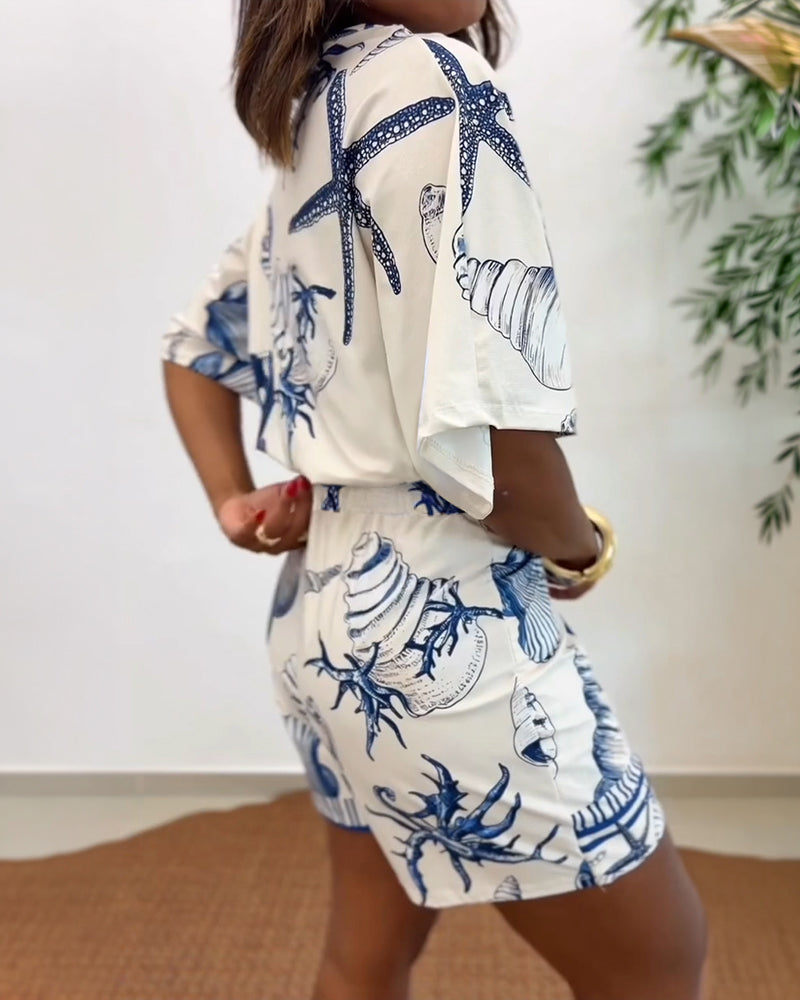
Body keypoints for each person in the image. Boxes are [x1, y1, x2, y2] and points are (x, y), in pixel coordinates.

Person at [162, 2, 708, 998]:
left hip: (317, 617)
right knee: (658, 961)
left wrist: (233, 501)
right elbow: (492, 437)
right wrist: (577, 545)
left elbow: (195, 347)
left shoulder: (317, 105)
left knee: (363, 957)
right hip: (442, 623)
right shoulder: (440, 86)